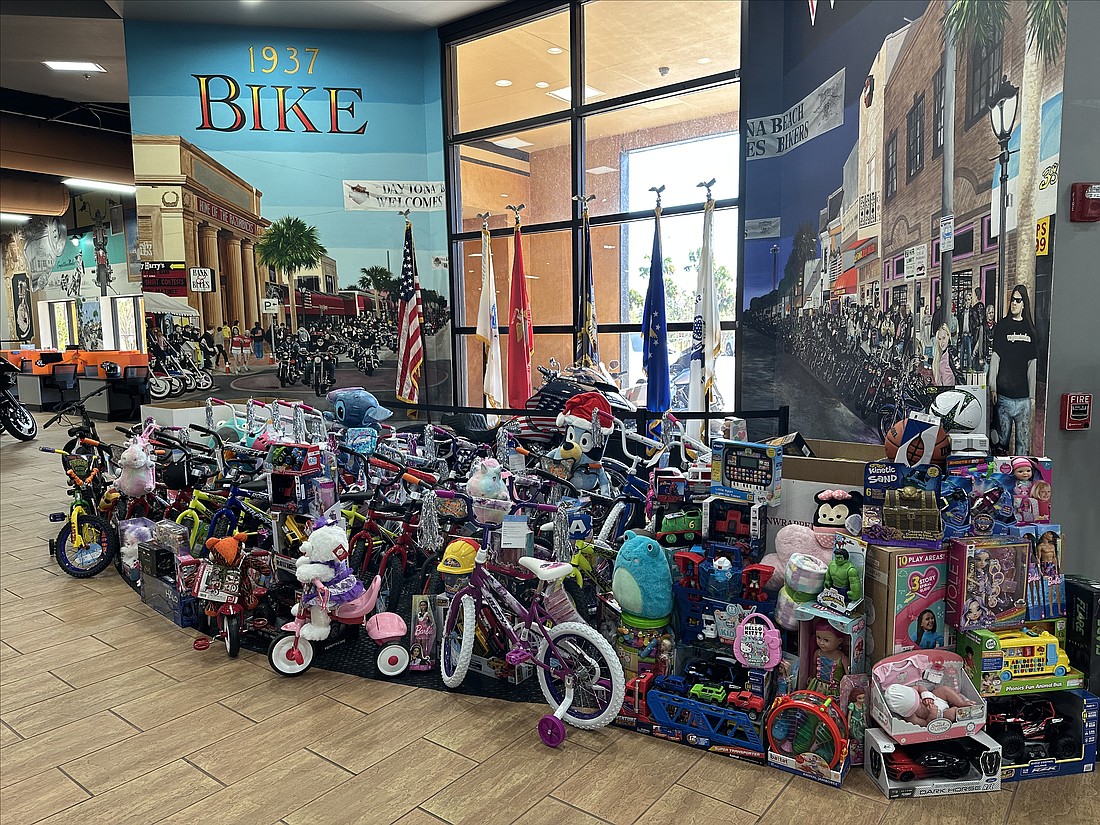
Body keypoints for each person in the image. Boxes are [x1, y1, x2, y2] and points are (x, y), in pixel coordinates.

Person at [988, 284, 1038, 455]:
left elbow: (1032, 364)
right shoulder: (1002, 326)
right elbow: (995, 358)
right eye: (1012, 300)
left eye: (1018, 300)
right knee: (1001, 444)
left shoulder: (1031, 330)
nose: (1014, 303)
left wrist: (1032, 396)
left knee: (1023, 445)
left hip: (1023, 398)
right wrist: (993, 387)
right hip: (1003, 396)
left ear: (1024, 304)